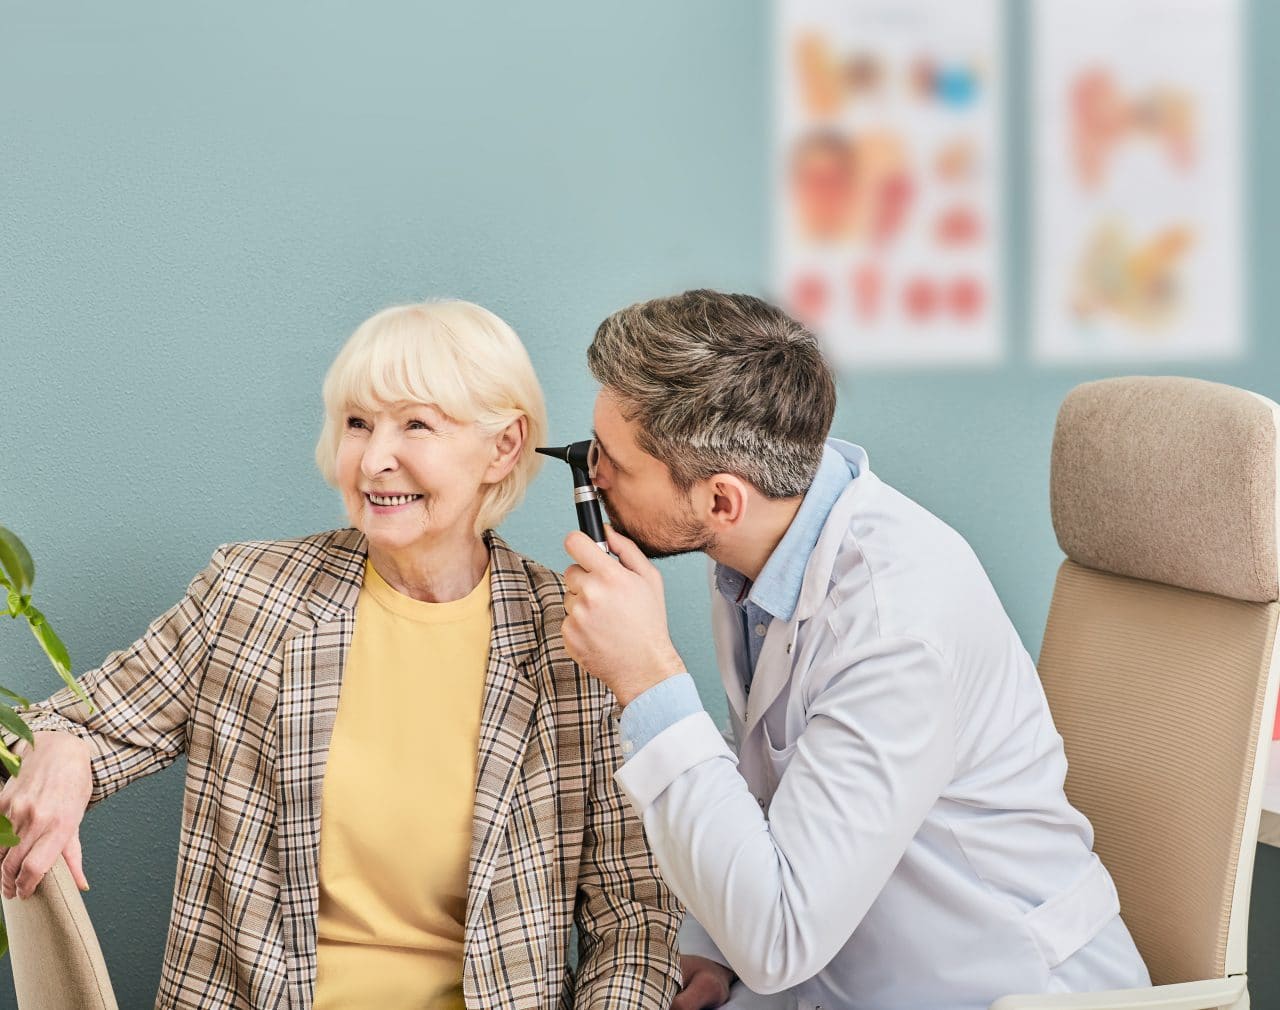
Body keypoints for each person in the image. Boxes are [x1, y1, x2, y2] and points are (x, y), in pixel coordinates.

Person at [0, 301, 681, 1010]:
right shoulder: (250, 594)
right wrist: (60, 746)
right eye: (358, 423)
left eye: (416, 423)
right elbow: (65, 732)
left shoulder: (578, 644)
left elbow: (635, 920)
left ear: (504, 447)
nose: (374, 459)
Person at [558, 290, 1151, 1010]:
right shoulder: (761, 550)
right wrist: (708, 947)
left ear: (721, 500)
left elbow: (779, 938)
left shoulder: (894, 627)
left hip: (1001, 987)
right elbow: (771, 768)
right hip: (845, 967)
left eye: (611, 460)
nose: (593, 476)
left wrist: (647, 676)